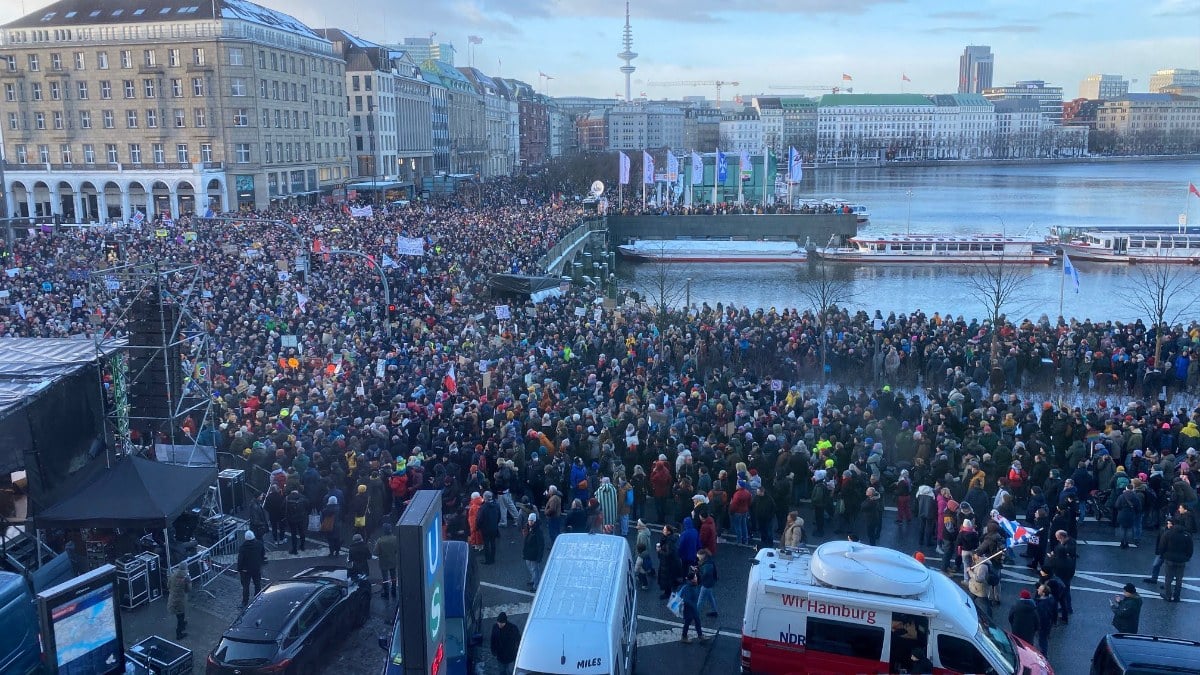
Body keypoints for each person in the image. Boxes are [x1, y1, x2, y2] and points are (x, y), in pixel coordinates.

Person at [1161, 516, 1195, 602]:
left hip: (1169, 559)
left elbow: (1162, 546)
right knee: (1179, 579)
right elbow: (1190, 549)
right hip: (1181, 560)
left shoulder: (1168, 533)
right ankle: (1177, 596)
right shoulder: (1187, 535)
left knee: (1168, 578)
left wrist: (1163, 555)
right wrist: (1187, 557)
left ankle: (1168, 595)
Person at [236, 529, 265, 608]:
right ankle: (257, 598)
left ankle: (245, 601)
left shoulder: (243, 548)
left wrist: (239, 569)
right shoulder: (259, 544)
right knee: (257, 584)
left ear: (246, 538)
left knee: (246, 586)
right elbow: (262, 554)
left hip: (246, 570)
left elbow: (240, 560)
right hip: (256, 568)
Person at [679, 570, 707, 643]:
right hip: (689, 609)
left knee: (696, 621)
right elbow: (686, 600)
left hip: (693, 608)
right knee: (688, 622)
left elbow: (700, 578)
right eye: (695, 577)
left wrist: (697, 570)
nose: (696, 578)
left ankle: (699, 635)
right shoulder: (688, 588)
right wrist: (694, 606)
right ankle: (684, 637)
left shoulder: (693, 584)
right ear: (691, 580)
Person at [375, 522, 399, 599]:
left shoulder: (380, 540)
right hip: (393, 560)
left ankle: (386, 593)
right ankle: (394, 591)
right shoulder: (395, 539)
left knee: (385, 578)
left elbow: (376, 552)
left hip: (383, 562)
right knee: (393, 577)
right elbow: (397, 550)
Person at [167, 563, 190, 640]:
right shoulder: (186, 578)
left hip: (172, 598)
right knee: (181, 616)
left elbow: (168, 585)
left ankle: (182, 624)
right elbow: (188, 590)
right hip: (180, 600)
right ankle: (179, 633)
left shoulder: (173, 575)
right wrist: (189, 582)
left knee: (178, 614)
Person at [522, 513, 545, 590]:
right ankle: (534, 580)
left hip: (533, 554)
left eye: (531, 521)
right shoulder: (529, 528)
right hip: (529, 553)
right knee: (532, 568)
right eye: (529, 520)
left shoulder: (537, 531)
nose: (530, 522)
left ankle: (536, 585)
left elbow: (541, 545)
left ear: (534, 521)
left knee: (535, 570)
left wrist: (539, 556)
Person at [479, 491, 501, 565]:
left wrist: (479, 527)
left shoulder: (483, 507)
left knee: (486, 544)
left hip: (485, 529)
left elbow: (480, 519)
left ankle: (487, 560)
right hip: (494, 527)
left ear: (484, 498)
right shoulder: (497, 505)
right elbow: (499, 516)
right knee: (493, 543)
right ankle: (493, 559)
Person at [967, 553, 992, 618]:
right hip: (975, 588)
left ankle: (989, 618)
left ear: (978, 556)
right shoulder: (979, 562)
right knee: (970, 600)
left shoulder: (982, 567)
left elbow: (979, 579)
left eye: (974, 555)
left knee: (985, 605)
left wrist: (970, 572)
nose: (973, 556)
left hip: (980, 589)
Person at [1033, 583, 1056, 656]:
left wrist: (1036, 626)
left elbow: (1040, 617)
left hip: (1042, 626)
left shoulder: (1041, 605)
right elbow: (1055, 612)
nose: (1037, 590)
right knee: (1043, 639)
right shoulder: (1051, 599)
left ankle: (1044, 656)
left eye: (1039, 589)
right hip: (1048, 624)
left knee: (1042, 640)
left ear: (1043, 593)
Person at [284, 489, 309, 555]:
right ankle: (302, 546)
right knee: (302, 532)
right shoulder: (303, 498)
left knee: (293, 534)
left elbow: (283, 507)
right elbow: (308, 506)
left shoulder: (287, 498)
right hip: (301, 518)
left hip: (291, 519)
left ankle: (294, 550)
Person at [696, 548, 718, 617]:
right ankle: (714, 611)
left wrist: (697, 571)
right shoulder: (708, 562)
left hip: (706, 584)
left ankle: (695, 614)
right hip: (710, 583)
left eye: (699, 557)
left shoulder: (707, 565)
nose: (698, 558)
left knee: (700, 600)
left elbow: (704, 575)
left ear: (702, 556)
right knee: (710, 597)